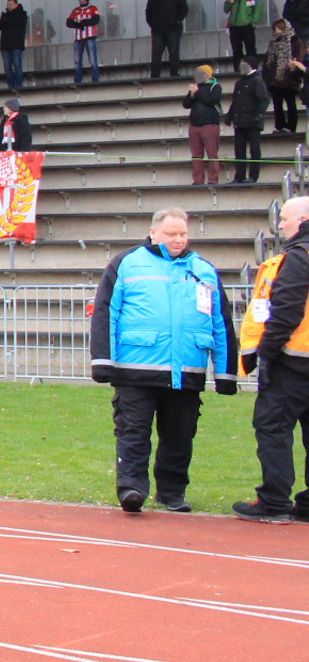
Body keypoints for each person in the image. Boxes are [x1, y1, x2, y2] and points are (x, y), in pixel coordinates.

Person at [89, 207, 236, 514]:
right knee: (133, 432)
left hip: (187, 371)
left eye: (183, 234)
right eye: (171, 234)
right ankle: (131, 488)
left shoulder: (204, 269)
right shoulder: (126, 264)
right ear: (153, 232)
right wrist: (102, 360)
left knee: (180, 436)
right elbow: (106, 311)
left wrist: (226, 373)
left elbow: (221, 322)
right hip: (135, 370)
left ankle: (172, 493)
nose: (178, 239)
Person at [234, 195, 309, 523]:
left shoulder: (298, 257)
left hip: (292, 359)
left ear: (304, 220)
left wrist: (266, 351)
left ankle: (274, 500)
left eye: (285, 219)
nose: (280, 226)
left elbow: (286, 309)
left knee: (273, 427)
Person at [228, 59, 270, 185]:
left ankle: (253, 176)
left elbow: (264, 100)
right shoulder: (239, 83)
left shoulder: (257, 80)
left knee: (254, 150)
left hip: (253, 121)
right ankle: (239, 175)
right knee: (239, 150)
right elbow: (235, 102)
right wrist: (230, 116)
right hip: (240, 121)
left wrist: (259, 115)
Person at [182, 65, 223, 186]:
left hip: (209, 124)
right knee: (196, 155)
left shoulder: (215, 87)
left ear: (208, 75)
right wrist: (191, 94)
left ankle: (212, 180)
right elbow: (186, 104)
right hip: (194, 125)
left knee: (212, 153)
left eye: (201, 73)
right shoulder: (196, 88)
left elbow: (211, 101)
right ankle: (197, 180)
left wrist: (197, 93)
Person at [145, 0, 189, 79]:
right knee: (156, 54)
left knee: (173, 52)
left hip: (173, 28)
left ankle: (174, 73)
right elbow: (148, 10)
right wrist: (152, 24)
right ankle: (155, 76)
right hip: (157, 29)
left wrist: (177, 20)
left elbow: (184, 8)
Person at [265, 20, 305, 134]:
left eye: (277, 28)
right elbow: (268, 60)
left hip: (289, 78)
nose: (275, 31)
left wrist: (294, 69)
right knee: (277, 104)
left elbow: (299, 56)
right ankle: (279, 126)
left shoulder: (294, 41)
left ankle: (291, 126)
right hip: (275, 79)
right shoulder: (273, 42)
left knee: (290, 103)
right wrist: (267, 75)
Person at [225, 0, 263, 71]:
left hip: (247, 24)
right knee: (236, 49)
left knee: (250, 48)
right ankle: (237, 69)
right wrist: (229, 2)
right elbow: (226, 9)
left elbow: (258, 8)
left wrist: (254, 21)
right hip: (234, 25)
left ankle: (253, 68)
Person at [0, 0, 29, 91]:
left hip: (16, 45)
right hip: (5, 45)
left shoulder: (21, 14)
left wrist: (7, 19)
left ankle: (18, 85)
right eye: (8, 5)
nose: (9, 6)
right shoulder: (5, 15)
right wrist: (3, 18)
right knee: (7, 67)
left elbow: (20, 23)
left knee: (17, 65)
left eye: (11, 4)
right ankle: (10, 85)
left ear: (16, 5)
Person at [67, 0, 102, 84]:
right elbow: (68, 22)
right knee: (77, 61)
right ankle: (77, 80)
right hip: (78, 39)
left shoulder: (93, 8)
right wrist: (79, 25)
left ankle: (95, 79)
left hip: (90, 37)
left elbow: (96, 20)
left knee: (92, 59)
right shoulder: (76, 10)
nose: (80, 1)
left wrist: (82, 23)